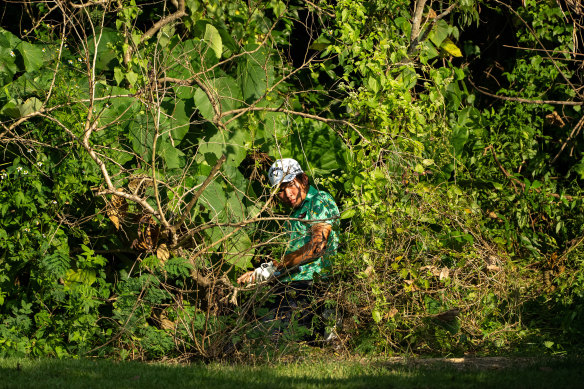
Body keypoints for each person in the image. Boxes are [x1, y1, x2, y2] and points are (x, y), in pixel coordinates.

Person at [236, 158, 340, 341]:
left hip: (312, 286)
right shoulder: (295, 212)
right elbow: (292, 258)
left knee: (270, 337)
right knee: (252, 329)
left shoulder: (319, 200)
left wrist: (275, 267)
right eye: (280, 190)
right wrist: (262, 272)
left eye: (291, 184)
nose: (287, 194)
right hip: (290, 284)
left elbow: (316, 248)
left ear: (304, 180)